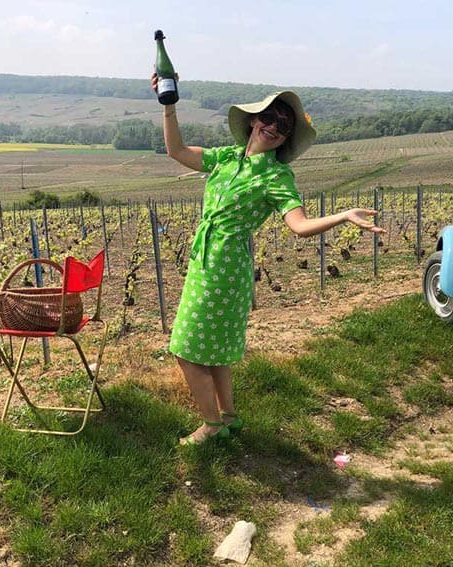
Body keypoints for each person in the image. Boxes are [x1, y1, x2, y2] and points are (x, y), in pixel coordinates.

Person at [152, 74, 386, 445]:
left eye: (284, 125)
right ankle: (228, 418)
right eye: (271, 117)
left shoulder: (277, 177)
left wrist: (341, 216)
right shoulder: (226, 159)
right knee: (213, 352)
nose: (275, 127)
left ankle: (211, 426)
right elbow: (176, 150)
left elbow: (300, 224)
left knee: (185, 350)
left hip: (225, 269)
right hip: (205, 262)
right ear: (253, 120)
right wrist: (169, 106)